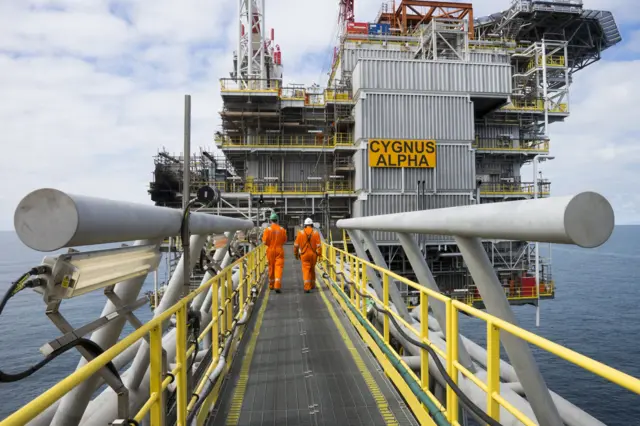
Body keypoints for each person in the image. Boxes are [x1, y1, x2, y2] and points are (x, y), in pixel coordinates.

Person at [294, 218, 322, 293]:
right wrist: (319, 255)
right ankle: (312, 285)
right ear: (312, 224)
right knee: (312, 269)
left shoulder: (300, 233)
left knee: (306, 270)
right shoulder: (316, 233)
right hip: (313, 255)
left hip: (304, 254)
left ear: (305, 225)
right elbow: (319, 246)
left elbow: (296, 245)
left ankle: (307, 287)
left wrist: (296, 254)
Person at [262, 212, 287, 293]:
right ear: (277, 220)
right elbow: (284, 240)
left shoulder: (267, 230)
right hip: (279, 250)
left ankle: (271, 285)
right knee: (278, 268)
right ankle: (277, 285)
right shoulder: (282, 229)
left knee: (271, 267)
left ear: (270, 221)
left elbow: (264, 242)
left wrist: (271, 244)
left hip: (270, 250)